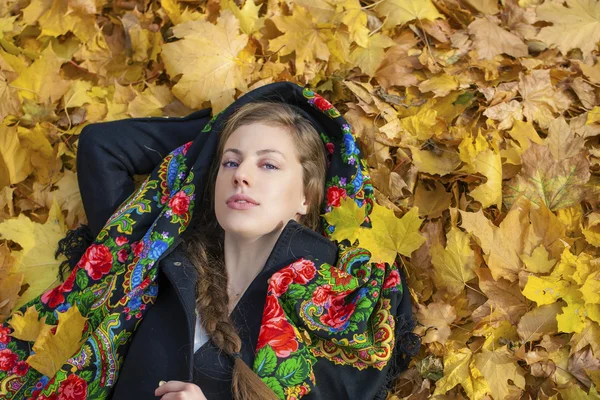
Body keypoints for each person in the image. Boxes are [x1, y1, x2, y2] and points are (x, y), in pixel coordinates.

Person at [0, 82, 419, 399]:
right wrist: (216, 137)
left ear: (307, 195)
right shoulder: (148, 260)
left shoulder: (339, 307)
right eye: (231, 163)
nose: (241, 174)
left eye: (269, 164)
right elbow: (101, 146)